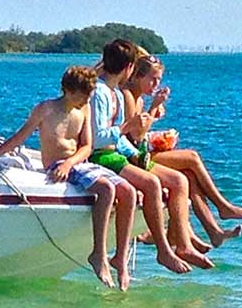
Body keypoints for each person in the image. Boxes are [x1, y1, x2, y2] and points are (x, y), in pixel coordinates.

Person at [0, 66, 137, 291]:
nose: (86, 99)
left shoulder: (83, 110)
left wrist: (70, 163)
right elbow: (19, 137)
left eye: (88, 95)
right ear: (68, 90)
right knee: (106, 189)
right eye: (82, 94)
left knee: (130, 192)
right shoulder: (45, 109)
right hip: (57, 165)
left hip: (78, 164)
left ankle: (120, 259)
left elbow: (87, 147)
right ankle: (98, 252)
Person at [89, 39, 214, 273]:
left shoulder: (114, 92)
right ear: (130, 69)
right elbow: (101, 138)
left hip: (118, 153)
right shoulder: (102, 93)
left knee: (179, 179)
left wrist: (136, 153)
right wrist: (130, 128)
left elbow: (124, 139)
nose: (155, 84)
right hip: (101, 156)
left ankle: (180, 241)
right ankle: (165, 249)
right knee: (159, 182)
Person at [123, 53, 242, 247]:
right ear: (137, 76)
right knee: (192, 157)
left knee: (190, 177)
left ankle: (214, 231)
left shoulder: (139, 99)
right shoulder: (129, 96)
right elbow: (135, 134)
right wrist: (153, 108)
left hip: (141, 152)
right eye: (152, 79)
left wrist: (155, 119)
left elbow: (140, 133)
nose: (155, 84)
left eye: (158, 80)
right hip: (133, 158)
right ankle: (223, 206)